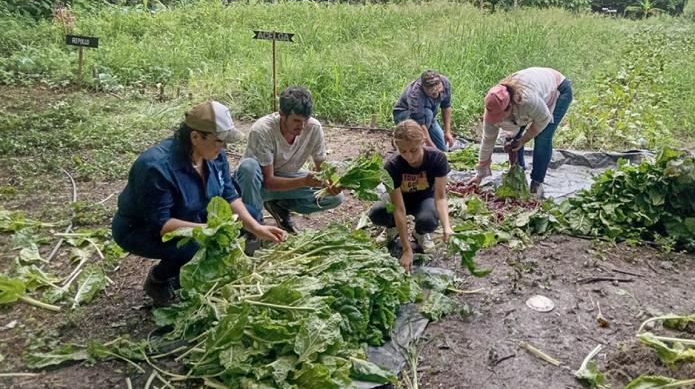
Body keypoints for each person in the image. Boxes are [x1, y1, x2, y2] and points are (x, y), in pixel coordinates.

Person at [112, 101, 287, 306]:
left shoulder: (214, 155)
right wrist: (211, 229)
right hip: (141, 229)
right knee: (193, 244)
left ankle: (202, 271)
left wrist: (256, 228)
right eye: (219, 141)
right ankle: (159, 280)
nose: (223, 147)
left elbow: (229, 194)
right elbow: (162, 224)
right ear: (195, 137)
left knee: (249, 215)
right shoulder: (155, 167)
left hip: (191, 215)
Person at [235, 86, 343, 234]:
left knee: (335, 197)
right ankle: (254, 228)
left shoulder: (313, 127)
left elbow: (322, 167)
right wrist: (304, 181)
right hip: (257, 185)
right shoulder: (262, 130)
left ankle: (279, 206)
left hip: (286, 180)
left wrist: (332, 183)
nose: (302, 126)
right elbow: (268, 181)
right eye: (297, 121)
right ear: (282, 115)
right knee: (248, 167)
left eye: (306, 120)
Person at [468, 67, 573, 199]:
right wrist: (479, 175)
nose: (497, 121)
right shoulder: (493, 107)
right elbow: (488, 141)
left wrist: (523, 140)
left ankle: (537, 182)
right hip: (527, 100)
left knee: (543, 137)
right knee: (512, 139)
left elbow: (543, 120)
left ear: (509, 107)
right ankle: (519, 174)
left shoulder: (528, 101)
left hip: (559, 89)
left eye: (500, 116)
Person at [368, 120, 453, 272]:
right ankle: (392, 229)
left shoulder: (438, 159)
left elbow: (440, 197)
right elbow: (398, 209)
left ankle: (419, 233)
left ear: (423, 142)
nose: (409, 156)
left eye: (414, 150)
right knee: (377, 212)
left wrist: (447, 226)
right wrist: (407, 249)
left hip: (425, 198)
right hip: (401, 199)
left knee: (428, 220)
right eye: (403, 152)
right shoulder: (391, 166)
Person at [393, 70, 454, 151]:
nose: (436, 91)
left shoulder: (445, 83)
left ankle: (426, 137)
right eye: (431, 90)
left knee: (443, 149)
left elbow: (446, 106)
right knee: (427, 114)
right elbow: (420, 123)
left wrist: (447, 132)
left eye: (438, 88)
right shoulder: (416, 95)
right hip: (405, 114)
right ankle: (406, 137)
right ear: (423, 87)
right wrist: (434, 150)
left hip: (429, 119)